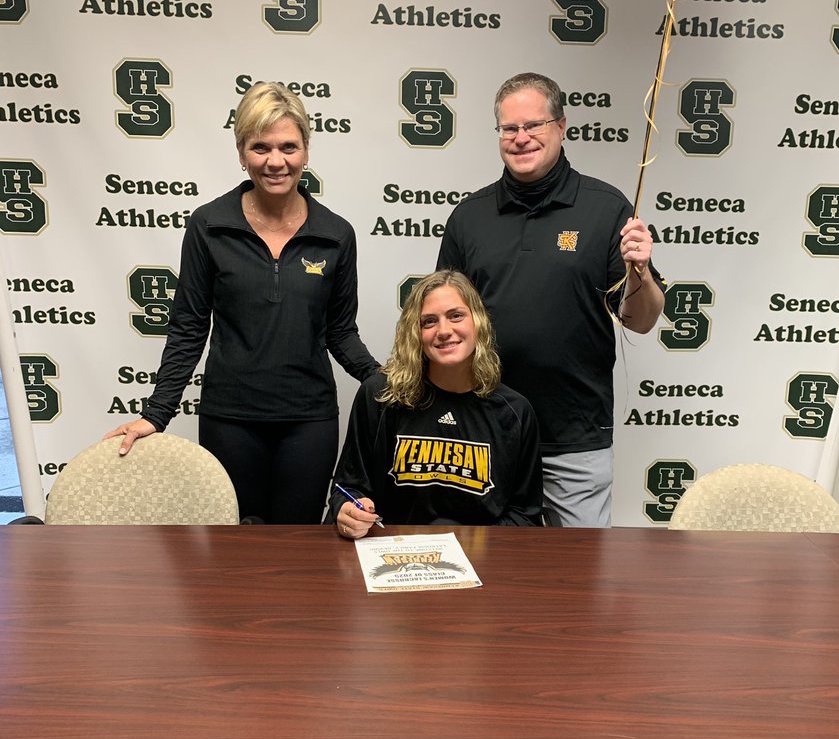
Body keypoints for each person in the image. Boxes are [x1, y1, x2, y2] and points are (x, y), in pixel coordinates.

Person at [104, 80, 379, 523]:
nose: (276, 161)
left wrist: (386, 382)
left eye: (289, 147)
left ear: (306, 151)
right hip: (230, 421)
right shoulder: (209, 226)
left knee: (297, 550)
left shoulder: (335, 234)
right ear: (241, 152)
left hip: (308, 423)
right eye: (260, 147)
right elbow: (189, 328)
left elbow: (341, 332)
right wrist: (156, 415)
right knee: (233, 554)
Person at [436, 71, 666, 528]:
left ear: (560, 127)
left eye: (534, 126)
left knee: (577, 580)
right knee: (484, 575)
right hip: (484, 432)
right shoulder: (469, 217)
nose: (521, 138)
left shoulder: (606, 208)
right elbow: (444, 321)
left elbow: (640, 320)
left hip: (574, 437)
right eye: (509, 128)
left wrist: (640, 272)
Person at [331, 269, 543, 538]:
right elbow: (347, 487)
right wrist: (349, 510)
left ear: (478, 321)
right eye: (429, 322)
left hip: (482, 563)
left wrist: (470, 549)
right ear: (415, 333)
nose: (444, 331)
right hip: (394, 556)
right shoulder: (381, 396)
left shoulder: (515, 411)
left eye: (456, 316)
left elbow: (525, 514)